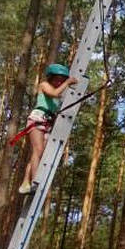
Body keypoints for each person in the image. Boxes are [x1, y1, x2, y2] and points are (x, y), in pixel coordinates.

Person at [19, 63, 77, 194]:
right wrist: (67, 82)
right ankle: (35, 181)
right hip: (37, 118)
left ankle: (25, 182)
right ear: (50, 78)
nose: (59, 82)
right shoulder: (44, 85)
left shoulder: (58, 94)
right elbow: (54, 93)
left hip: (47, 122)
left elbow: (55, 104)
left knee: (40, 153)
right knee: (38, 150)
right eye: (57, 79)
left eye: (61, 80)